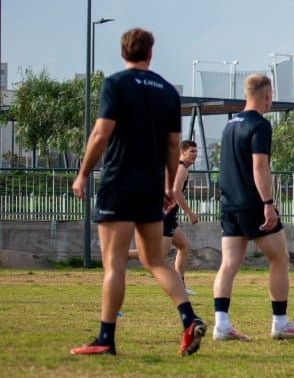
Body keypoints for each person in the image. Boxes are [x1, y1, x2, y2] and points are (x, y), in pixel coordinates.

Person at [70, 28, 205, 356]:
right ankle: (189, 318)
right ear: (150, 53)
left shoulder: (115, 84)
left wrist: (83, 173)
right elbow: (174, 144)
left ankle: (106, 338)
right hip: (150, 187)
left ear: (122, 52)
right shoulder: (167, 92)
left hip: (119, 182)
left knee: (114, 262)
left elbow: (101, 134)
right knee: (155, 260)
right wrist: (170, 185)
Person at [212, 74, 294, 340]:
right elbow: (259, 165)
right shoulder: (260, 125)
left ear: (245, 94)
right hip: (252, 203)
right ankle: (280, 322)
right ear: (267, 94)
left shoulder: (230, 125)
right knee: (280, 258)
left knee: (228, 264)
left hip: (228, 203)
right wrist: (268, 204)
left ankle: (221, 324)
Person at [128, 139, 200, 294]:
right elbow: (176, 192)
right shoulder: (181, 169)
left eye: (196, 151)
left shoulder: (177, 167)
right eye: (192, 151)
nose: (195, 154)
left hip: (169, 216)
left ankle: (180, 285)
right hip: (165, 216)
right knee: (157, 256)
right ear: (182, 152)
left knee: (184, 247)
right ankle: (123, 254)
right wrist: (190, 213)